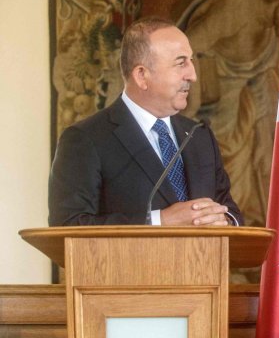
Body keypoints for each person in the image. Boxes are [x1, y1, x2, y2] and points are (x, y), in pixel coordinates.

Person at [49, 17, 242, 227]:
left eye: (192, 61)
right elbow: (68, 225)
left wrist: (225, 221)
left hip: (203, 260)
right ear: (142, 75)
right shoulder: (86, 140)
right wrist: (160, 221)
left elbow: (230, 211)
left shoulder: (198, 135)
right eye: (181, 63)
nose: (193, 75)